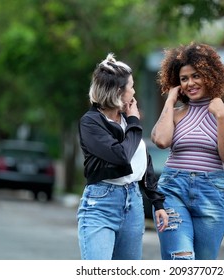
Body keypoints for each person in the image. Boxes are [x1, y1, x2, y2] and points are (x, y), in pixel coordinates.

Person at [151, 42, 224, 260]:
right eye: (184, 79)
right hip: (173, 190)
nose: (190, 83)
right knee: (181, 258)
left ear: (210, 76)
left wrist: (220, 117)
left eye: (196, 76)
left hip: (211, 193)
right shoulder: (175, 114)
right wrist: (169, 102)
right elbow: (162, 141)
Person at [77, 53, 168, 260]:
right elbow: (121, 156)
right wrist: (135, 121)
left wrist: (157, 203)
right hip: (100, 204)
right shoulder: (91, 123)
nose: (134, 91)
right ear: (119, 91)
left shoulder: (127, 122)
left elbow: (144, 165)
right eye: (131, 86)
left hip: (133, 204)